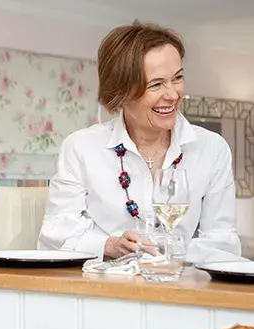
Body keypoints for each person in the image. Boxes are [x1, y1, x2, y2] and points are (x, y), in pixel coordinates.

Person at [38, 22, 241, 261]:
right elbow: (54, 237)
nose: (173, 95)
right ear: (120, 92)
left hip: (181, 288)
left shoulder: (212, 149)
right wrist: (111, 246)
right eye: (156, 84)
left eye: (177, 78)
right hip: (102, 289)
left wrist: (175, 256)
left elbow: (222, 242)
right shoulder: (81, 148)